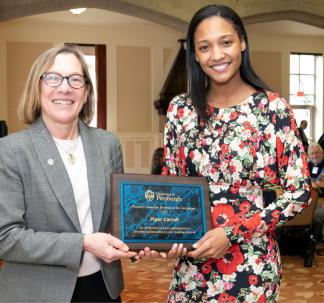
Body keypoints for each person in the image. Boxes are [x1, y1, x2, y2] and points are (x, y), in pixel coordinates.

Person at [162, 4, 311, 302]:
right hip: (194, 259)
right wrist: (169, 236)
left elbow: (300, 192)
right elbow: (172, 186)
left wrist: (231, 233)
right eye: (205, 47)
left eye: (226, 42)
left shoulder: (273, 109)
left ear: (242, 42)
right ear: (195, 54)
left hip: (251, 263)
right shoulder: (180, 109)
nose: (216, 55)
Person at [0, 45, 137, 302]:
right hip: (36, 293)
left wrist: (150, 238)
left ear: (85, 93)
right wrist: (84, 243)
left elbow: (118, 220)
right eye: (53, 77)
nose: (65, 88)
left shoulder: (108, 144)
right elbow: (6, 239)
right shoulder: (10, 151)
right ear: (37, 88)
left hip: (103, 288)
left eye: (75, 79)